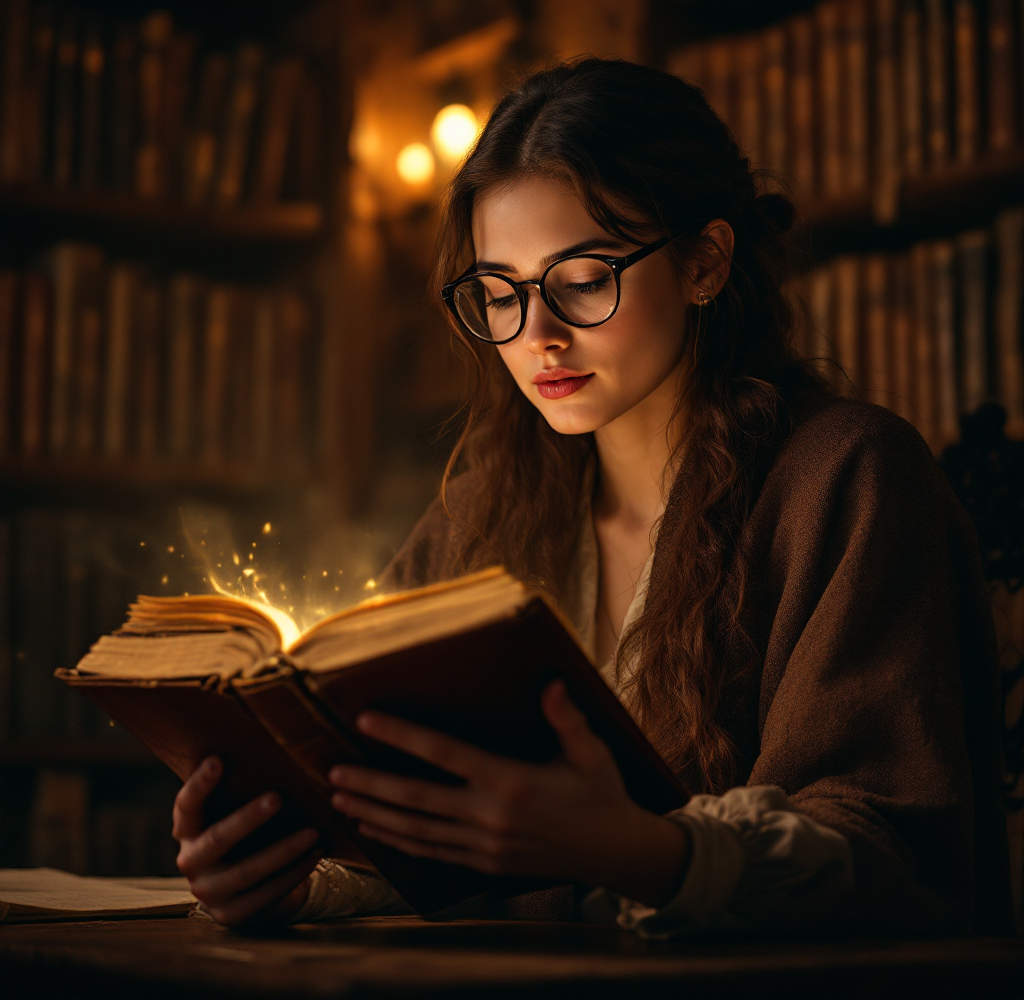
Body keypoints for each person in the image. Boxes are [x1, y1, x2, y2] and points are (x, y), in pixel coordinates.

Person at [171, 58, 1013, 937]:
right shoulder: (481, 510)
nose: (537, 336)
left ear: (705, 262)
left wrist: (637, 851)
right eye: (498, 293)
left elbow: (887, 851)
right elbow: (420, 841)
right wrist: (287, 873)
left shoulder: (849, 475)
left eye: (581, 281)